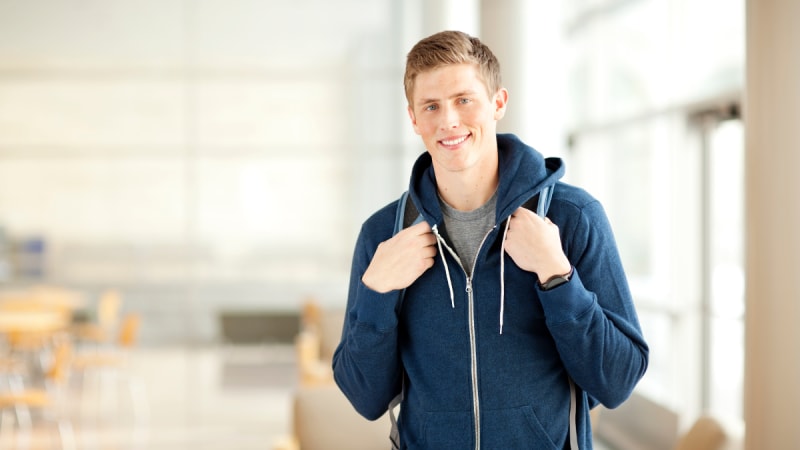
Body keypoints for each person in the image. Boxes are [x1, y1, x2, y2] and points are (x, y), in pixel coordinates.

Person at [332, 30, 648, 450]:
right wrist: (376, 292)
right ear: (413, 118)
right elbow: (365, 397)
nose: (448, 121)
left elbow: (618, 380)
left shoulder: (572, 219)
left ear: (498, 103)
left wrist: (558, 278)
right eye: (431, 106)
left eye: (464, 100)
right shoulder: (384, 235)